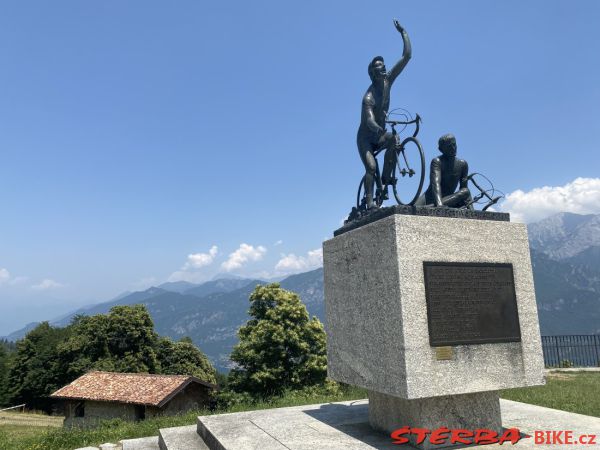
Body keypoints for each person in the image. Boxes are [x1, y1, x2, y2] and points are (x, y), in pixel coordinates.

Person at [357, 19, 411, 209]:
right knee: (371, 168)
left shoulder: (388, 81)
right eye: (381, 68)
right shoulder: (369, 97)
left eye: (384, 66)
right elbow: (370, 120)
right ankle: (370, 201)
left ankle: (387, 178)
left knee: (394, 139)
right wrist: (378, 127)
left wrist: (403, 33)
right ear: (373, 74)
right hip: (365, 138)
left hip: (379, 134)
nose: (385, 68)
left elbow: (406, 57)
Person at [415, 134, 473, 209]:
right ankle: (431, 206)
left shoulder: (463, 164)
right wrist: (439, 205)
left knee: (465, 191)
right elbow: (436, 184)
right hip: (430, 198)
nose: (453, 148)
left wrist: (471, 210)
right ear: (442, 150)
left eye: (454, 145)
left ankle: (430, 207)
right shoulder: (437, 161)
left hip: (449, 200)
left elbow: (464, 191)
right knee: (411, 210)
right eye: (449, 146)